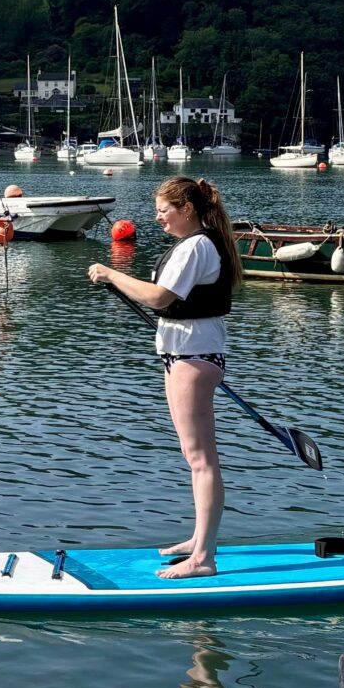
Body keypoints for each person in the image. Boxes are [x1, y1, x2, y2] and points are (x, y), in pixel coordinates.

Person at [88, 175, 243, 577]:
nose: (158, 218)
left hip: (194, 356)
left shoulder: (196, 245)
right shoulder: (195, 243)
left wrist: (112, 274)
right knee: (193, 457)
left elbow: (159, 298)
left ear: (186, 209)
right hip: (185, 353)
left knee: (202, 459)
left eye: (163, 211)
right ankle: (199, 539)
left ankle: (203, 559)